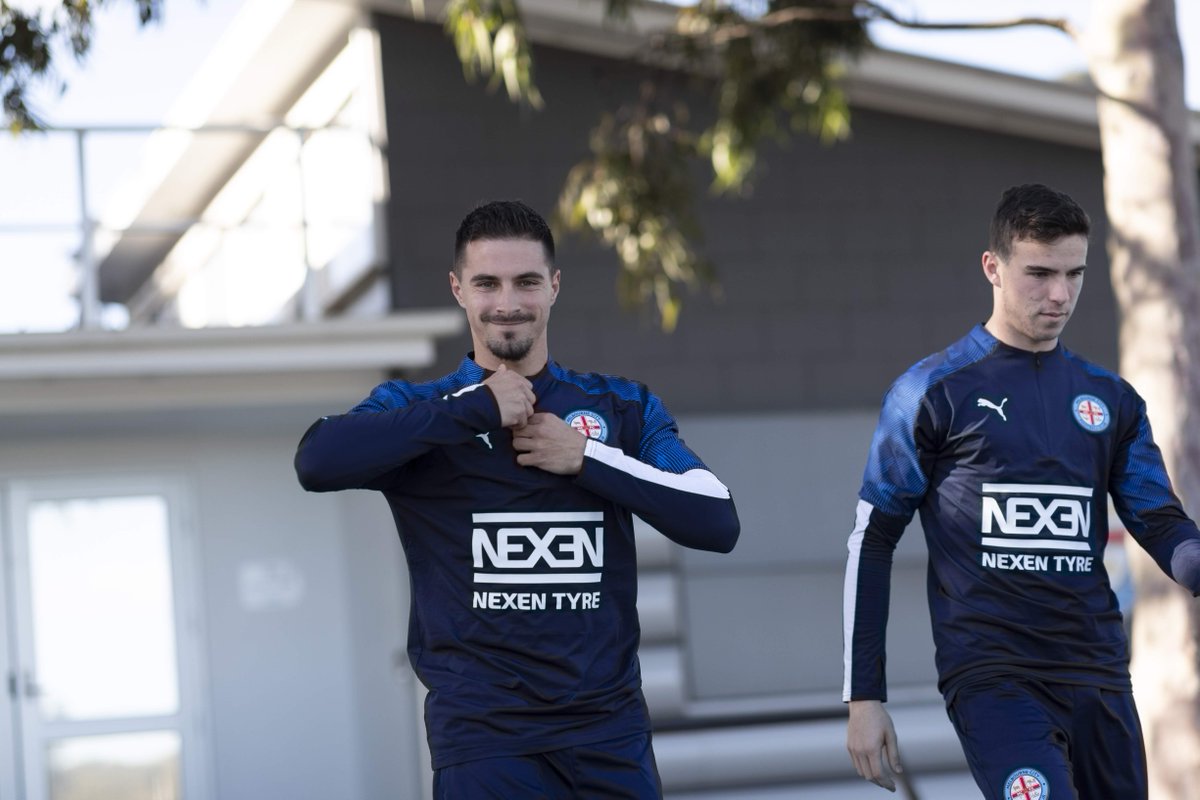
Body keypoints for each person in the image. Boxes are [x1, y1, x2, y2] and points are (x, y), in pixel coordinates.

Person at [294, 199, 740, 799]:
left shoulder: (621, 407)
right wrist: (475, 406)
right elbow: (317, 459)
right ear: (458, 290)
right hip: (485, 744)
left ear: (554, 287)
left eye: (526, 281)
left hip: (609, 739)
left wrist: (587, 458)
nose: (507, 303)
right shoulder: (420, 408)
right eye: (487, 283)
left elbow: (717, 519)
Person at [842, 183, 1200, 798]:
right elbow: (872, 542)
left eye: (1074, 274)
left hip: (1098, 672)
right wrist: (863, 696)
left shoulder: (1110, 399)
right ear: (994, 267)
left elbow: (1162, 523)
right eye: (1039, 272)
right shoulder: (931, 391)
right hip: (993, 676)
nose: (1059, 294)